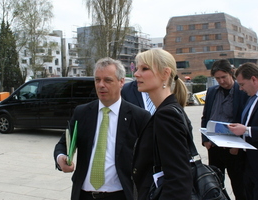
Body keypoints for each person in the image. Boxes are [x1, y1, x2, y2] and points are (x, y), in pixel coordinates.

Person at [53, 57, 151, 200]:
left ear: (121, 82)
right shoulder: (82, 113)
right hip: (84, 194)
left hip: (121, 195)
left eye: (108, 80)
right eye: (97, 80)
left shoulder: (139, 117)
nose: (101, 85)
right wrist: (61, 157)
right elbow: (63, 144)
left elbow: (149, 160)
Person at [132, 48, 193, 199]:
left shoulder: (167, 115)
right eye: (137, 68)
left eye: (144, 68)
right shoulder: (169, 110)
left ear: (165, 73)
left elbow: (178, 178)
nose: (136, 74)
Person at [201, 59, 248, 200]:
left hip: (234, 147)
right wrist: (205, 140)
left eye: (223, 77)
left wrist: (237, 144)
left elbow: (245, 120)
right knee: (215, 183)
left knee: (239, 184)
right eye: (217, 78)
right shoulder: (212, 91)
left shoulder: (242, 92)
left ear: (231, 73)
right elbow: (206, 116)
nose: (221, 81)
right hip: (214, 146)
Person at [228, 62, 258, 200]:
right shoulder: (251, 98)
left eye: (242, 84)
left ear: (253, 79)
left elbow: (249, 128)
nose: (240, 89)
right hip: (249, 162)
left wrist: (247, 130)